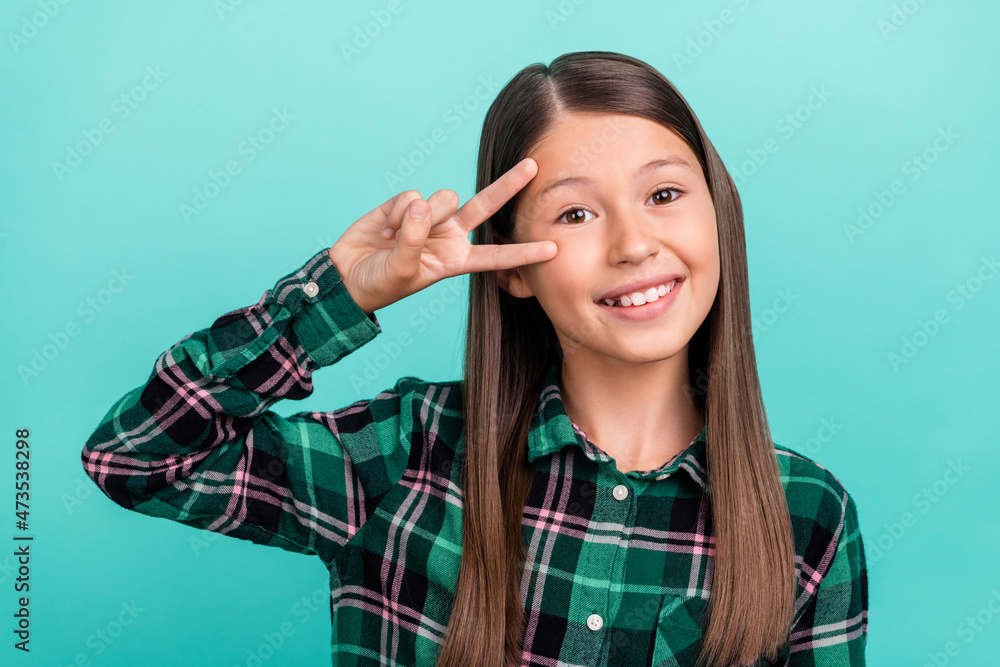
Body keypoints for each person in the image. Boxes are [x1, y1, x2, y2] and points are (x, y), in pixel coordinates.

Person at [81, 50, 867, 667]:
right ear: (515, 268)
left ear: (717, 216)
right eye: (577, 212)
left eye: (664, 195)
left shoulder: (807, 517)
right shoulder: (406, 453)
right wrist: (335, 300)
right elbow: (136, 458)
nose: (634, 245)